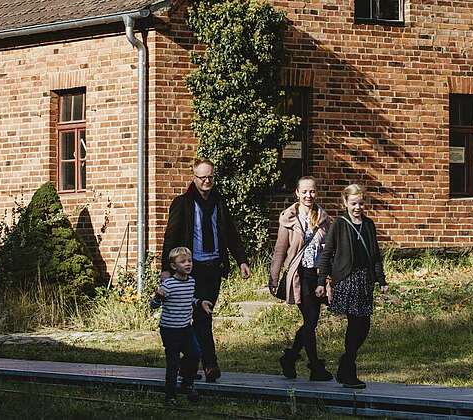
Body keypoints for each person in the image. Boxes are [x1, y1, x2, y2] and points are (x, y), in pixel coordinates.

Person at [161, 159, 252, 383]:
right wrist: (165, 269)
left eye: (210, 177)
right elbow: (170, 237)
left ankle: (187, 365)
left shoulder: (219, 203)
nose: (207, 181)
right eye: (202, 177)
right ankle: (210, 364)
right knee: (201, 317)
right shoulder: (183, 203)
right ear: (194, 178)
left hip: (213, 268)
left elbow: (231, 232)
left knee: (202, 317)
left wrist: (241, 260)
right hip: (191, 269)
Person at [318, 184, 387, 388]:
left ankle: (346, 362)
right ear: (345, 202)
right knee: (355, 323)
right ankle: (349, 370)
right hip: (347, 279)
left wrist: (381, 280)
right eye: (353, 203)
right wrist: (322, 281)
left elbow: (375, 255)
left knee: (364, 325)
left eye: (360, 203)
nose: (357, 207)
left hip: (364, 280)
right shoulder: (339, 223)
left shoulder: (368, 224)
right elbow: (327, 253)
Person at [268, 176, 334, 381]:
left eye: (312, 191)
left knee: (311, 321)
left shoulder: (324, 218)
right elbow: (280, 250)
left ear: (316, 192)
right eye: (304, 192)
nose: (308, 195)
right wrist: (274, 276)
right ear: (297, 193)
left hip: (318, 275)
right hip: (299, 275)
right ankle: (315, 367)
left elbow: (331, 249)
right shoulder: (288, 218)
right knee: (311, 319)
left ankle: (290, 357)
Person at [155, 247, 210, 404]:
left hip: (186, 328)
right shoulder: (169, 284)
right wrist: (158, 298)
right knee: (172, 363)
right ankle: (170, 396)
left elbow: (188, 298)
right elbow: (153, 304)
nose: (188, 264)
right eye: (183, 261)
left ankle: (187, 383)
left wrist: (200, 302)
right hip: (169, 330)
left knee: (194, 354)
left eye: (190, 261)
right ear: (174, 266)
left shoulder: (191, 281)